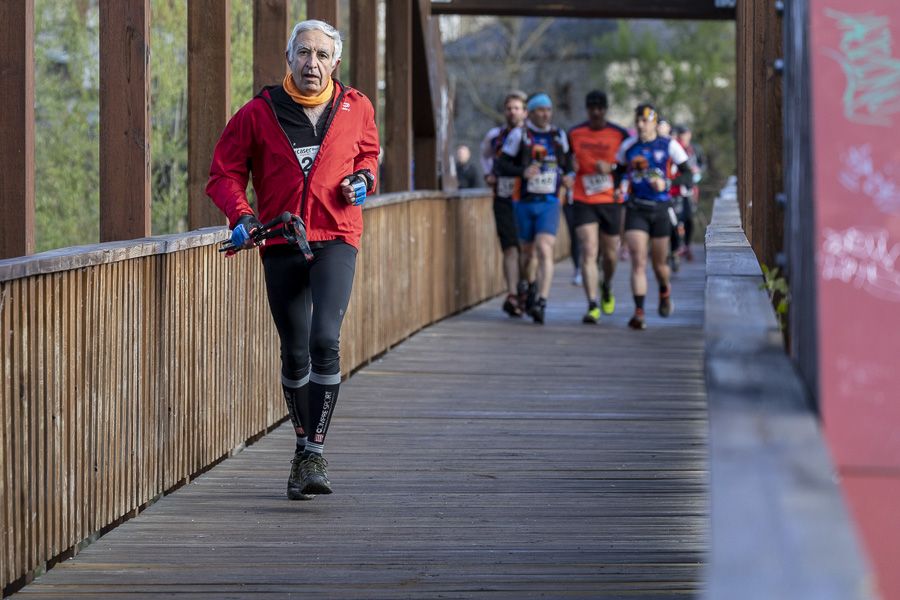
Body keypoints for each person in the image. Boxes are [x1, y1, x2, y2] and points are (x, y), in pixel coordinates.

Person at [207, 19, 379, 500]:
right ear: (289, 58)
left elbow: (368, 156)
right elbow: (223, 174)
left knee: (325, 338)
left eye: (322, 55)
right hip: (281, 240)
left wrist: (363, 180)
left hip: (336, 236)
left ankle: (314, 451)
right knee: (295, 351)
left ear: (335, 63)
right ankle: (303, 450)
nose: (312, 63)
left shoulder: (357, 106)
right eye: (304, 53)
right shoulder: (258, 112)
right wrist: (242, 216)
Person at [496, 93, 574, 324]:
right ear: (530, 112)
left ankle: (542, 300)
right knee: (527, 254)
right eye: (541, 110)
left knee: (544, 248)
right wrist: (522, 172)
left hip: (549, 202)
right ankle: (528, 285)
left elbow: (568, 163)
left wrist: (568, 176)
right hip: (524, 201)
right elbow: (502, 164)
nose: (545, 114)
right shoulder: (520, 135)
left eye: (548, 110)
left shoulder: (558, 135)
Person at [616, 103, 692, 330]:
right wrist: (620, 186)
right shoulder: (629, 147)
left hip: (660, 209)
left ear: (655, 122)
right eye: (638, 121)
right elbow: (618, 171)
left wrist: (666, 183)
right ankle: (639, 313)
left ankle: (664, 291)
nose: (641, 125)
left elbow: (688, 175)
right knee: (638, 260)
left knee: (659, 264)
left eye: (645, 121)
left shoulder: (668, 145)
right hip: (636, 208)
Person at [568, 90, 629, 324]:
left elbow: (628, 166)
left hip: (610, 200)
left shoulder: (619, 134)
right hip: (583, 198)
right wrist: (568, 169)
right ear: (587, 109)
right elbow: (564, 160)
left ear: (605, 110)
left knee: (610, 254)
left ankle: (607, 285)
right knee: (589, 249)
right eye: (592, 108)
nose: (596, 112)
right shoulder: (574, 133)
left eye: (600, 108)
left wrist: (611, 169)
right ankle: (592, 304)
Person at [480, 90, 528, 317]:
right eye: (509, 108)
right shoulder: (495, 136)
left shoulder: (531, 136)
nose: (512, 112)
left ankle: (526, 287)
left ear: (525, 112)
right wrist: (488, 174)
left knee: (526, 247)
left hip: (526, 197)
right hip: (503, 196)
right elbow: (484, 155)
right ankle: (512, 294)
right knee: (509, 246)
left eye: (517, 108)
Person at [671, 125, 704, 261]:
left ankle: (687, 245)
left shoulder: (695, 149)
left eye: (686, 134)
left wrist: (698, 171)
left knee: (689, 217)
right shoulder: (675, 148)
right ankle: (677, 246)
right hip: (676, 189)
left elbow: (702, 163)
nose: (684, 137)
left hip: (691, 188)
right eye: (681, 135)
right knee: (677, 218)